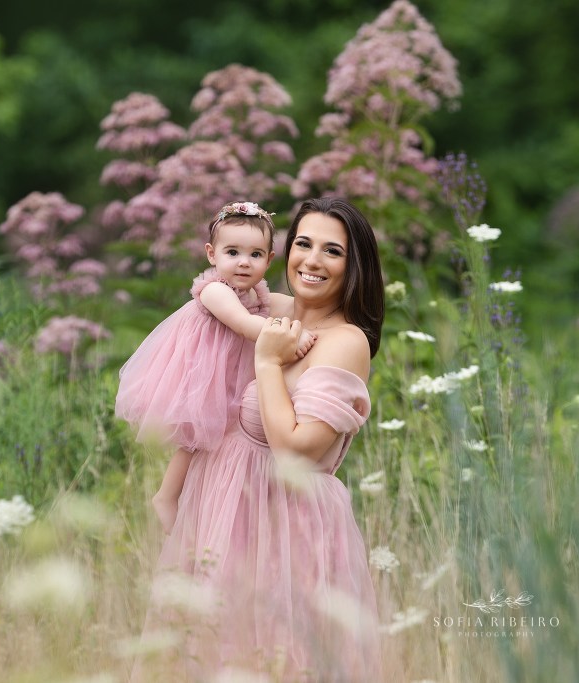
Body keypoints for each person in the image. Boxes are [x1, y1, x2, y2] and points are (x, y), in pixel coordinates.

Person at [138, 197, 385, 681]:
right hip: (227, 511)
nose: (312, 260)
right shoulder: (272, 309)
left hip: (285, 525)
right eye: (303, 243)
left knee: (278, 659)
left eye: (332, 251)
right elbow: (212, 295)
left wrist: (268, 362)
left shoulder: (345, 341)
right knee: (208, 655)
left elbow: (296, 448)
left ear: (354, 266)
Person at [115, 201, 315, 533]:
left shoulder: (259, 295)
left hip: (231, 367)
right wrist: (293, 339)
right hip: (203, 369)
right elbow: (245, 325)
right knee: (195, 435)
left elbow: (289, 309)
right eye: (232, 252)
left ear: (269, 260)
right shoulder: (214, 291)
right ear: (212, 254)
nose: (243, 262)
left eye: (254, 255)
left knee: (227, 434)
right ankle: (166, 496)